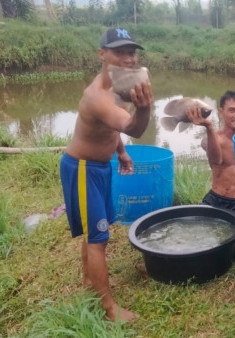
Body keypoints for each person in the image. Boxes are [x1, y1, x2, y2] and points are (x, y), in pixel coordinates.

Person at [60, 28, 153, 321]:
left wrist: (121, 152)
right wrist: (145, 107)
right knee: (99, 237)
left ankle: (90, 283)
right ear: (102, 55)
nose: (128, 58)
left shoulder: (118, 87)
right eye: (119, 52)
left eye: (131, 52)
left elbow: (113, 129)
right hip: (83, 168)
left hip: (98, 167)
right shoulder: (98, 97)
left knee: (95, 232)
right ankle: (109, 309)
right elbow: (134, 127)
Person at [186, 90, 235, 258]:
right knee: (189, 235)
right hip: (215, 200)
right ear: (221, 111)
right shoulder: (212, 138)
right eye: (232, 110)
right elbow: (215, 161)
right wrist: (209, 126)